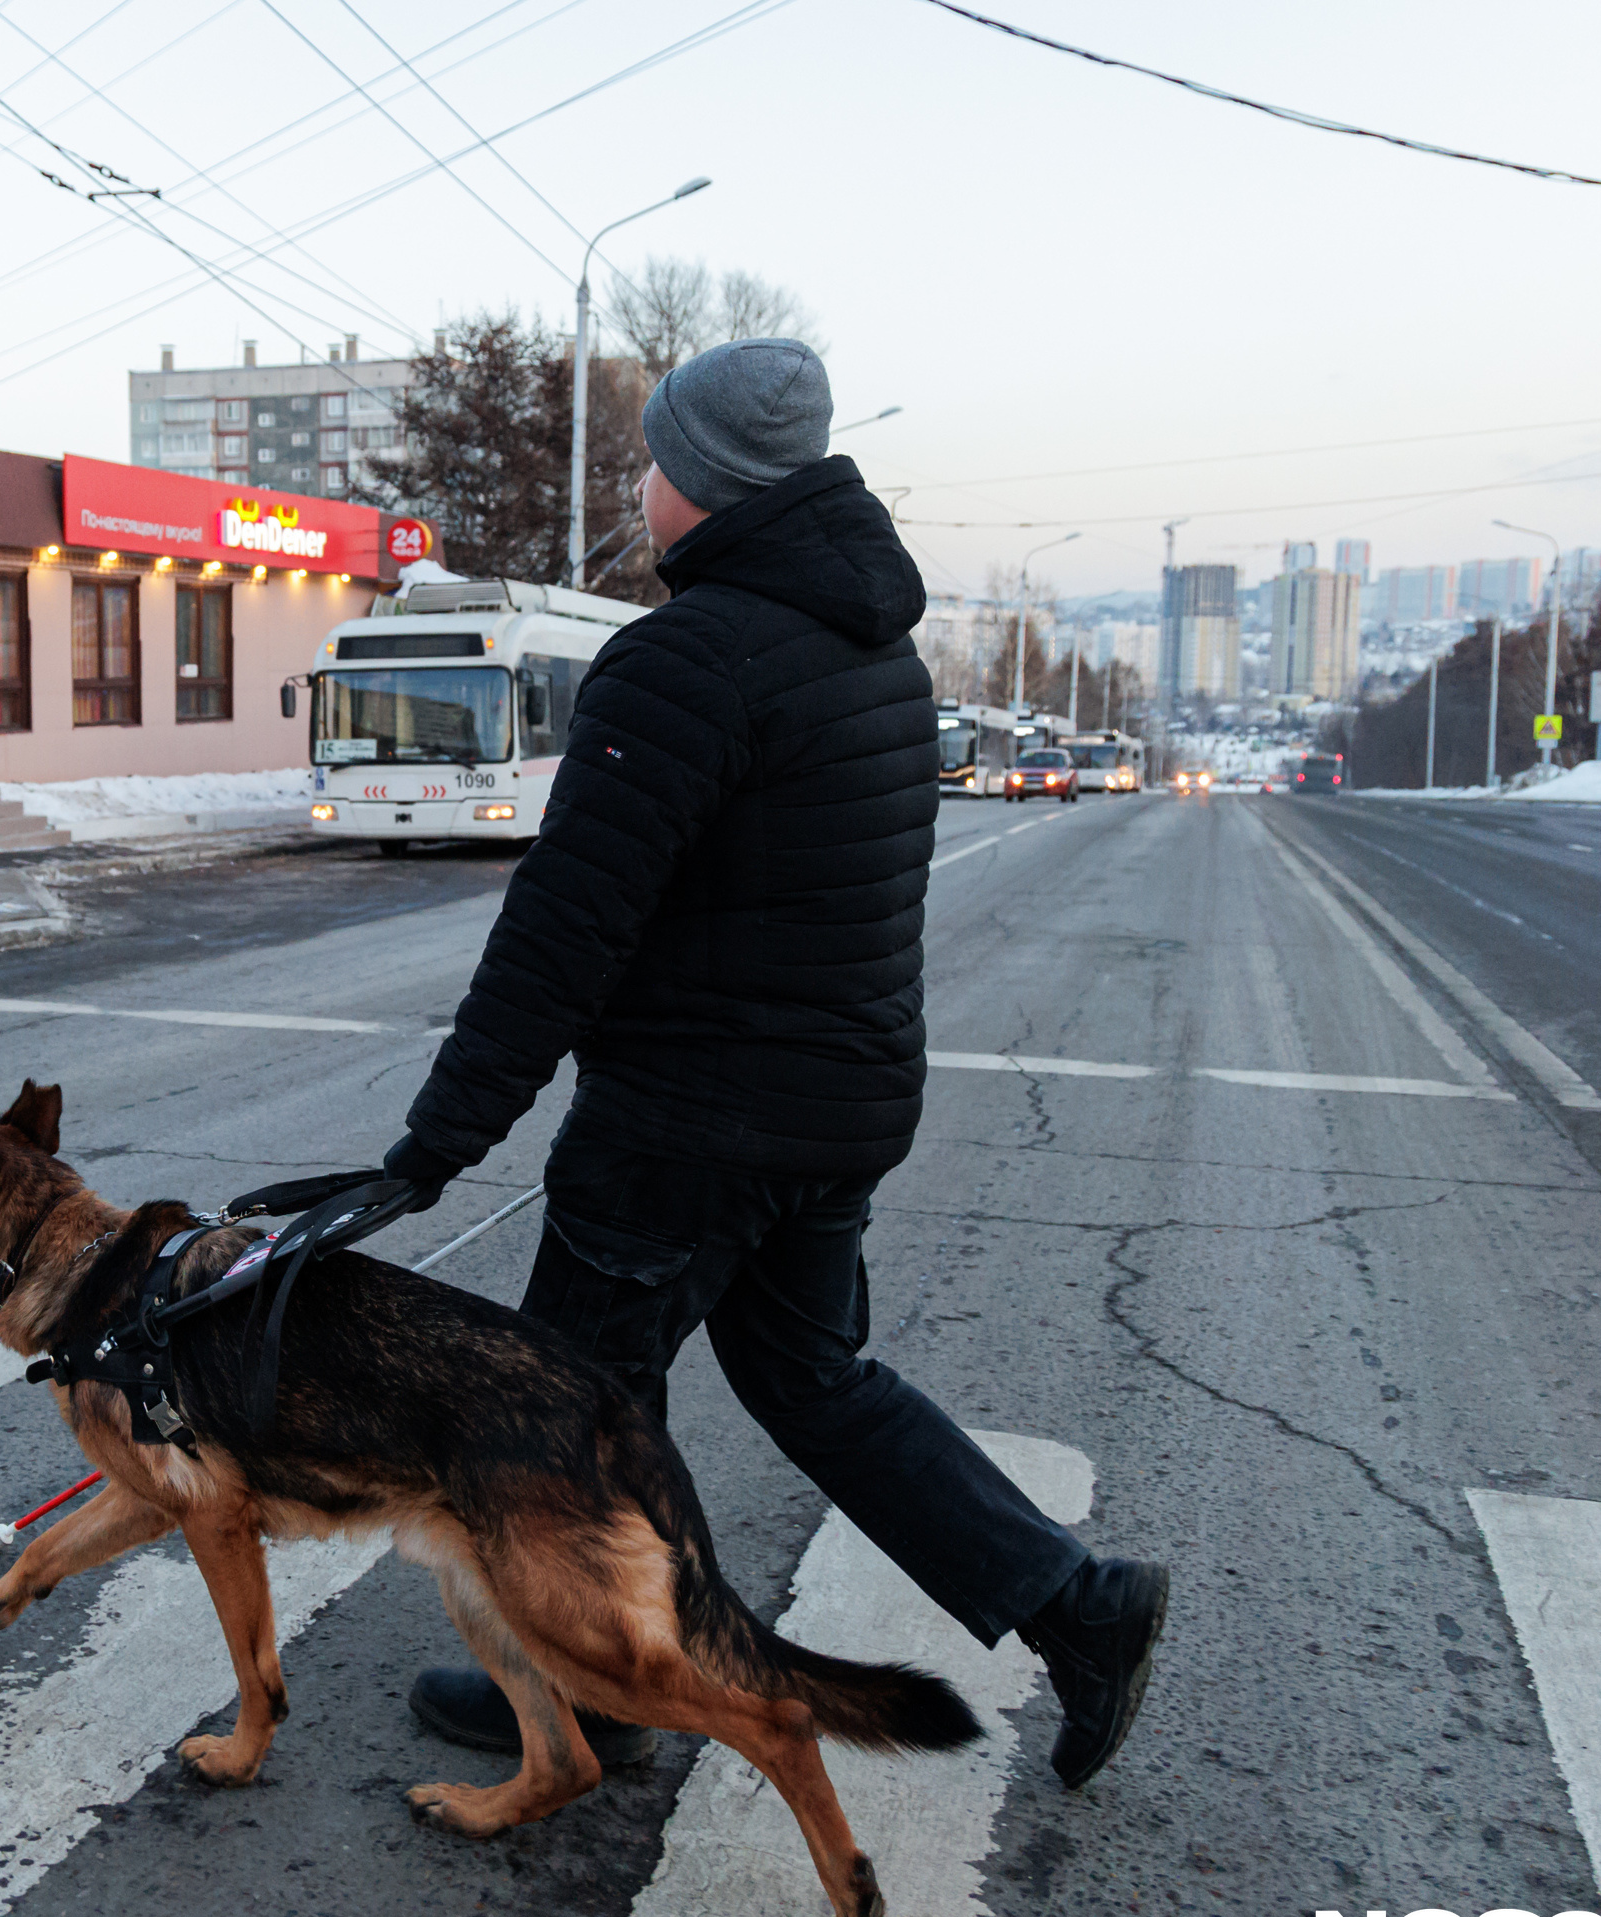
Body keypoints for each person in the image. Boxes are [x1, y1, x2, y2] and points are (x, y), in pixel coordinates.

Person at [381, 339, 1167, 1789]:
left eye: (656, 458)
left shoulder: (687, 660)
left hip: (688, 1123)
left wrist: (438, 1142)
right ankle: (1078, 1603)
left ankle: (599, 1689)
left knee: (566, 1415)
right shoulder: (875, 647)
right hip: (833, 1109)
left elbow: (565, 930)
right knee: (814, 1382)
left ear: (708, 480)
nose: (642, 479)